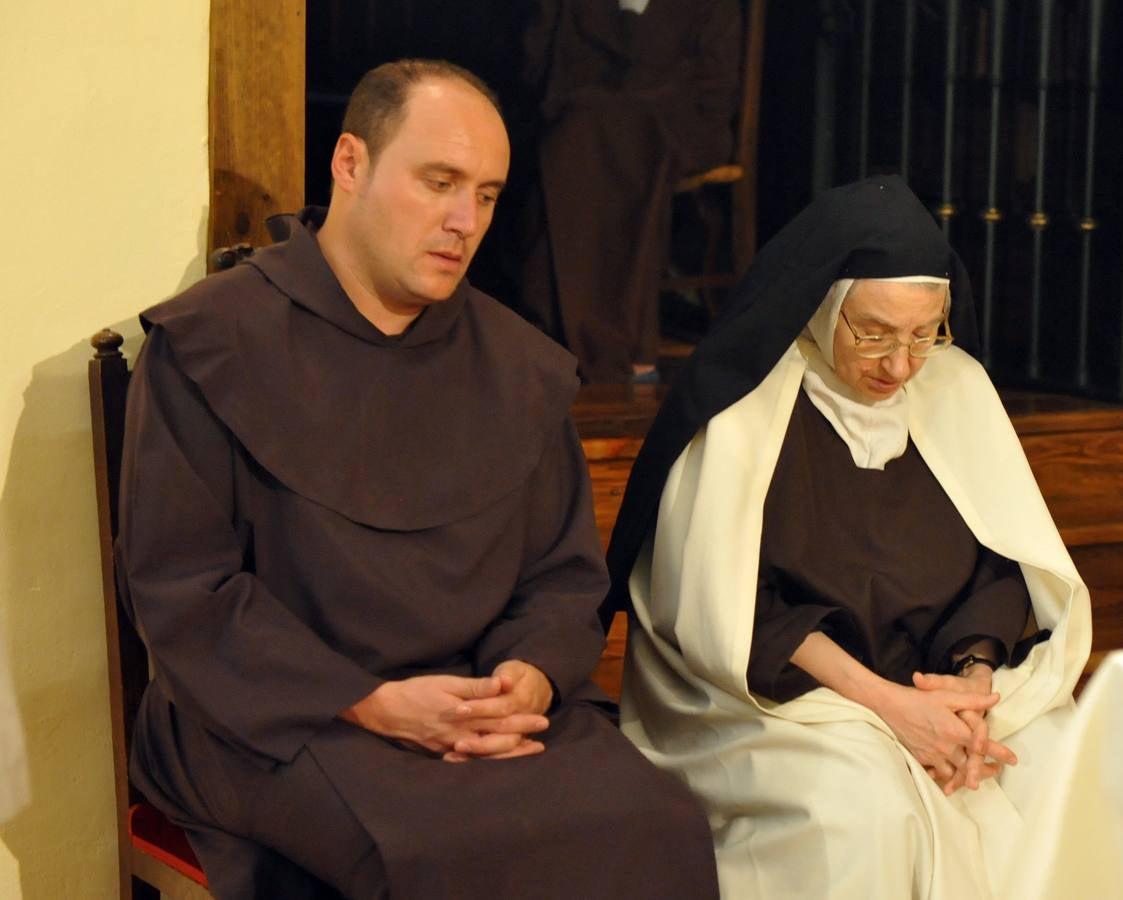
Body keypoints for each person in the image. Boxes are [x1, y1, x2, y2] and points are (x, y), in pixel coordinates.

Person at [117, 59, 718, 899]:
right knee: (447, 854)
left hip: (478, 706)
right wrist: (369, 702)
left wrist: (527, 679)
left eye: (487, 194)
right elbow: (185, 591)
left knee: (658, 823)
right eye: (439, 182)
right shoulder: (213, 344)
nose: (463, 220)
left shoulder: (521, 366)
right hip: (275, 716)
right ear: (350, 164)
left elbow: (561, 578)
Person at [605, 176, 1091, 898]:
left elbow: (1002, 568)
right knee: (863, 810)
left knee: (1059, 769)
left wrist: (973, 688)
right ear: (819, 305)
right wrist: (891, 709)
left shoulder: (954, 389)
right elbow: (731, 610)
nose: (900, 367)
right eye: (873, 334)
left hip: (934, 680)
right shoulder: (746, 409)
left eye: (926, 334)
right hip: (781, 702)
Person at [519, 0, 742, 382]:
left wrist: (638, 105)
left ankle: (606, 346)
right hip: (589, 119)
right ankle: (598, 342)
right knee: (576, 137)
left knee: (616, 137)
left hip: (681, 121)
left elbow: (715, 84)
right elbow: (540, 68)